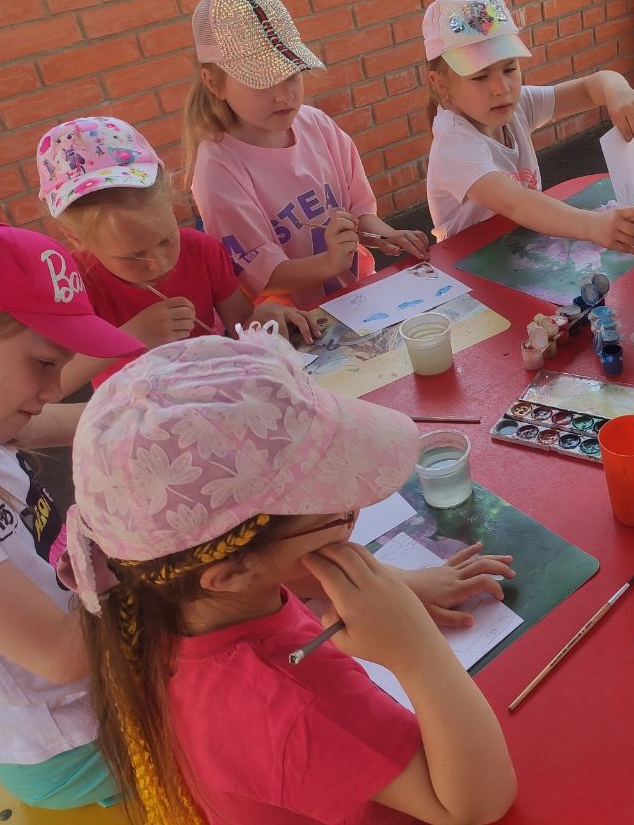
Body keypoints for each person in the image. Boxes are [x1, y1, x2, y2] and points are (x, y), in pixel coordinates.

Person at [64, 330, 517, 824]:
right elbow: (476, 805)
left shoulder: (158, 596)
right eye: (338, 510)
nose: (355, 508)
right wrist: (417, 650)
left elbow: (278, 568)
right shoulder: (295, 705)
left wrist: (397, 584)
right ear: (230, 571)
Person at [0, 224, 142, 809]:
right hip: (74, 743)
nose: (52, 389)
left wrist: (154, 410)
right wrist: (157, 548)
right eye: (43, 362)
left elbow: (64, 422)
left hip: (104, 683)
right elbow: (60, 656)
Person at [185, 0, 429, 310]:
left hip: (359, 298)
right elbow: (262, 276)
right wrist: (329, 263)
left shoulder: (317, 125)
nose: (283, 95)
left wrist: (386, 235)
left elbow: (358, 212)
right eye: (261, 82)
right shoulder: (218, 168)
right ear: (214, 83)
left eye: (291, 74)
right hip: (296, 324)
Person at [38, 115, 316, 391]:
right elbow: (53, 383)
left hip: (218, 391)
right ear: (75, 238)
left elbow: (241, 325)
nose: (159, 264)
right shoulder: (71, 285)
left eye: (166, 240)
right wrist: (131, 336)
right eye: (134, 256)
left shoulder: (202, 251)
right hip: (134, 409)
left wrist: (264, 316)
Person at [423, 0, 634, 251]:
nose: (501, 88)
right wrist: (593, 226)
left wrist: (616, 89)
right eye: (480, 77)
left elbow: (589, 88)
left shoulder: (518, 104)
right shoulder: (453, 143)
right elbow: (516, 202)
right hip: (465, 265)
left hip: (522, 247)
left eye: (509, 69)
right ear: (440, 83)